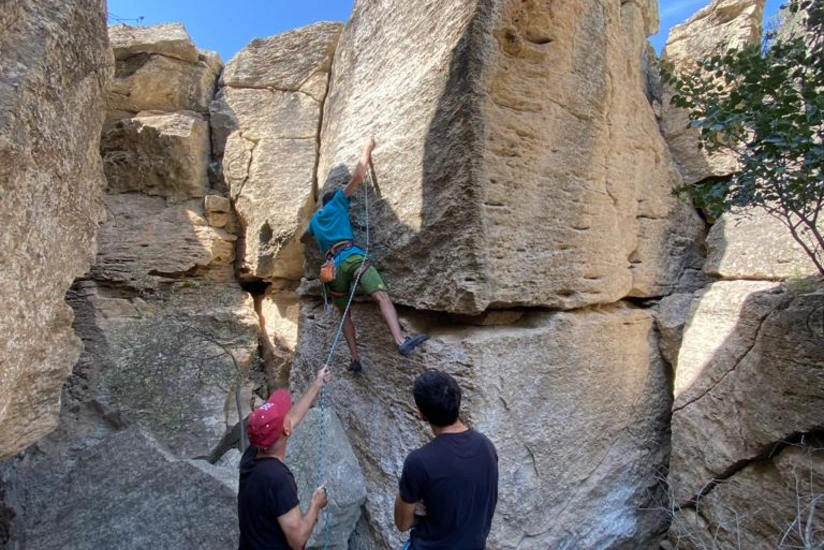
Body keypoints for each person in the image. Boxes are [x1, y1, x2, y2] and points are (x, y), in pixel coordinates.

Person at [300, 137, 429, 373]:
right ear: (335, 200)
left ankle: (355, 359)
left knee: (344, 314)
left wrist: (317, 233)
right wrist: (367, 148)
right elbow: (359, 175)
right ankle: (400, 341)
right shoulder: (338, 203)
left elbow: (303, 238)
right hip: (351, 257)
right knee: (381, 296)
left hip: (332, 270)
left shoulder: (315, 221)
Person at [394, 371, 499, 550]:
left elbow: (402, 523)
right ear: (457, 401)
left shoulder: (418, 462)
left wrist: (416, 504)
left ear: (421, 412)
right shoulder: (486, 446)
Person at [237, 366, 331, 550]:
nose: (289, 415)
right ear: (286, 429)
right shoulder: (278, 479)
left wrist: (317, 384)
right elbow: (298, 540)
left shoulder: (251, 456)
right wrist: (316, 504)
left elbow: (291, 420)